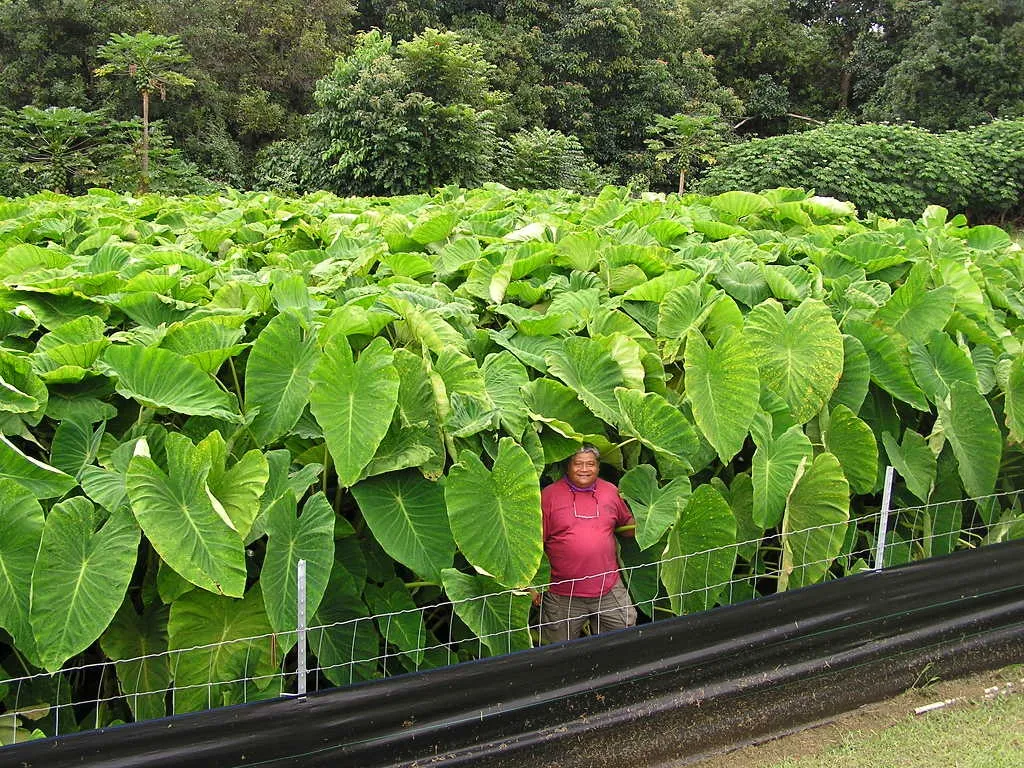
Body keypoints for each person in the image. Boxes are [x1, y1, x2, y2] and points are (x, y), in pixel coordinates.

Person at [538, 444, 637, 644]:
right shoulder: (548, 496)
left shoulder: (611, 491)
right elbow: (533, 545)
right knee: (558, 653)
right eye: (578, 464)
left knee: (623, 640)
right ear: (568, 466)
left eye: (590, 464)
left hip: (607, 588)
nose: (584, 469)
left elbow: (630, 526)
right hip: (563, 594)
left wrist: (656, 514)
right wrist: (531, 587)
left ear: (598, 467)